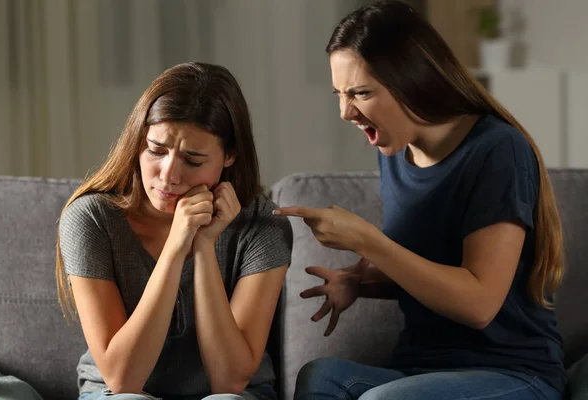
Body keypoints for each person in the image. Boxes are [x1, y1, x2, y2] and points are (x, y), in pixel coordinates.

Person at [273, 1, 566, 399]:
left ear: (412, 79)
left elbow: (479, 304)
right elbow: (429, 266)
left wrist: (366, 240)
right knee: (320, 376)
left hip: (512, 371)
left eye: (360, 92)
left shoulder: (498, 150)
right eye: (340, 94)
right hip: (421, 368)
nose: (345, 112)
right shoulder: (396, 154)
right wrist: (357, 281)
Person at [55, 62, 293, 400]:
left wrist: (205, 245)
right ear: (138, 140)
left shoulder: (263, 225)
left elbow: (229, 381)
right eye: (156, 150)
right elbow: (123, 379)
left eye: (193, 161)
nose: (168, 176)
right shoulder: (90, 219)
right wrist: (176, 247)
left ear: (229, 156)